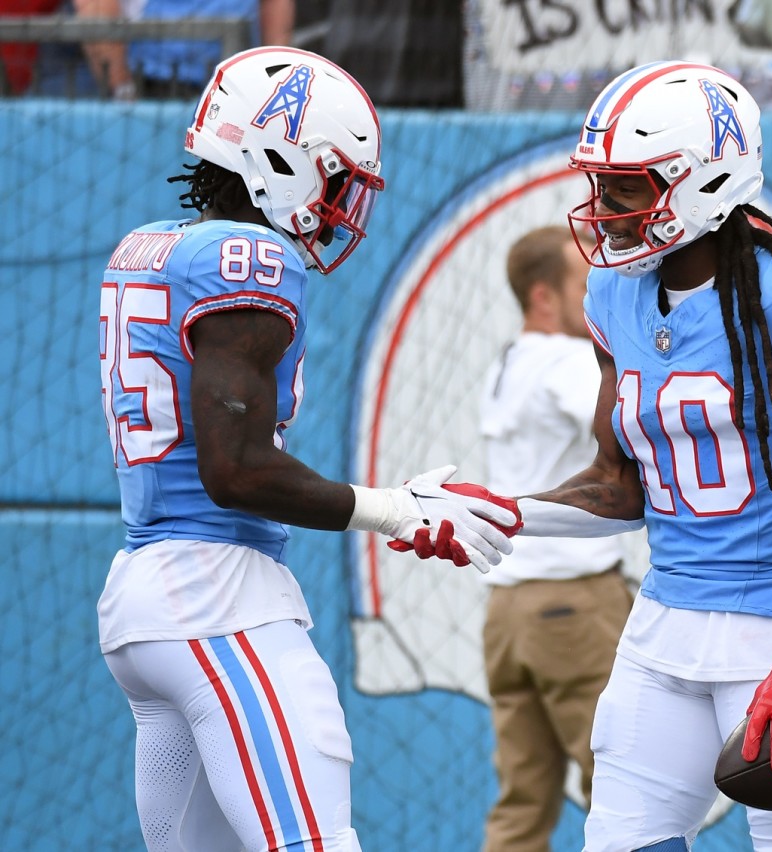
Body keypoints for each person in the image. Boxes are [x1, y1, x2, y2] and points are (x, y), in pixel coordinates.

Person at [96, 46, 515, 852]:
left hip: (144, 603)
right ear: (280, 159)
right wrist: (394, 511)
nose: (337, 206)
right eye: (333, 178)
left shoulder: (148, 245)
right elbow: (237, 470)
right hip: (218, 601)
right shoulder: (245, 256)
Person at [440, 61, 772, 850]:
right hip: (662, 623)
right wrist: (502, 511)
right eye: (601, 186)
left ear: (702, 182)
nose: (604, 211)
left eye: (625, 189)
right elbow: (618, 484)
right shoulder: (610, 295)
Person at [477, 225, 633, 851]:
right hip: (572, 603)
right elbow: (629, 425)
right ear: (545, 296)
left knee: (523, 804)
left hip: (510, 612)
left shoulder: (510, 359)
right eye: (584, 280)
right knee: (625, 788)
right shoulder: (568, 359)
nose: (598, 288)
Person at [76, 0, 294, 99]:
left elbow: (275, 5)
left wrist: (274, 78)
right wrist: (122, 88)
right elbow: (95, 7)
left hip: (241, 87)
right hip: (157, 87)